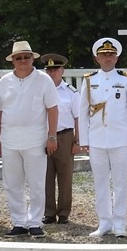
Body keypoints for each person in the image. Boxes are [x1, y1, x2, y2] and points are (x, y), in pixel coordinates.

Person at [0, 40, 59, 238]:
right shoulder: (4, 81)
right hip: (10, 139)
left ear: (32, 58)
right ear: (13, 60)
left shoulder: (43, 80)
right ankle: (19, 221)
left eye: (26, 57)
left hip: (35, 139)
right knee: (12, 183)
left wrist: (52, 136)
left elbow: (53, 109)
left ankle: (35, 222)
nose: (23, 60)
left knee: (37, 182)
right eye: (19, 58)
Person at [78, 37, 127, 238]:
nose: (108, 58)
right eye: (104, 55)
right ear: (97, 58)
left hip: (120, 138)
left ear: (117, 58)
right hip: (97, 139)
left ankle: (120, 223)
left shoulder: (126, 79)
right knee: (100, 182)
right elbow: (82, 112)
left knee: (121, 182)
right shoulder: (89, 80)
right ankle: (104, 222)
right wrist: (84, 140)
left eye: (111, 55)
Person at [41, 53, 79, 225]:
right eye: (49, 70)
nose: (52, 73)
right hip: (44, 136)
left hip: (64, 136)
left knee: (65, 177)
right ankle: (48, 212)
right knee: (45, 177)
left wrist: (77, 141)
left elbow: (78, 118)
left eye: (55, 69)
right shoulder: (40, 90)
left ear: (62, 70)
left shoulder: (71, 92)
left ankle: (64, 213)